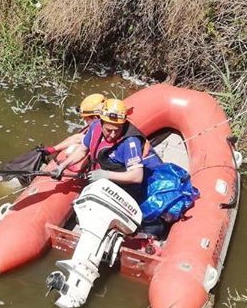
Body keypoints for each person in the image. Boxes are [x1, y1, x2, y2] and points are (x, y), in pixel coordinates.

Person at [52, 98, 168, 236]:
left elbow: (137, 176)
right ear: (101, 122)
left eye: (117, 130)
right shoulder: (95, 127)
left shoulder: (130, 142)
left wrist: (105, 175)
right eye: (109, 130)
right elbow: (83, 149)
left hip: (126, 187)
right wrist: (63, 166)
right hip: (105, 181)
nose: (113, 135)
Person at [40, 93, 105, 161]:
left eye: (85, 118)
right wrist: (52, 149)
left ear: (95, 118)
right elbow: (78, 138)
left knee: (70, 151)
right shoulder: (100, 124)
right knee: (78, 138)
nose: (83, 120)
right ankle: (52, 150)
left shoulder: (105, 131)